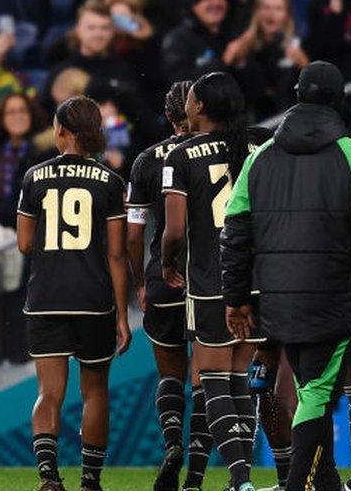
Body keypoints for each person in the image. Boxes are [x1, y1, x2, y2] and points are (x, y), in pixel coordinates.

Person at [220, 61, 351, 491]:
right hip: (334, 297)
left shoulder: (260, 157)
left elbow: (234, 233)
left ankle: (321, 482)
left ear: (298, 96)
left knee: (310, 391)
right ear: (339, 101)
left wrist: (236, 298)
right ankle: (298, 484)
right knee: (318, 393)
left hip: (278, 299)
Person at [16, 95, 130, 491]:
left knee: (49, 392)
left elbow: (25, 244)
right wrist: (121, 315)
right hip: (93, 298)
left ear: (61, 130)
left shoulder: (34, 177)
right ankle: (90, 482)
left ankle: (49, 478)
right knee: (95, 391)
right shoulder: (112, 182)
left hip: (46, 296)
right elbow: (117, 254)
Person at [161, 72, 260, 491]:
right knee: (242, 376)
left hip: (211, 278)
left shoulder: (180, 156)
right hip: (259, 276)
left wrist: (168, 263)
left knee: (213, 376)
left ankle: (240, 480)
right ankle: (245, 478)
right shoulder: (260, 146)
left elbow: (175, 230)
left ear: (199, 107)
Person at [126, 81, 213, 491]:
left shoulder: (146, 161)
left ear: (167, 116)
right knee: (207, 378)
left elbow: (132, 233)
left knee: (170, 374)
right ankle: (195, 475)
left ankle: (170, 445)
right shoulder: (221, 152)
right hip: (210, 275)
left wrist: (141, 280)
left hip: (164, 276)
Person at [45, 0, 140, 114]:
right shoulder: (60, 71)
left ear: (112, 32)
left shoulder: (124, 69)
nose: (98, 34)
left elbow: (140, 114)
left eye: (104, 28)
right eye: (91, 28)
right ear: (78, 30)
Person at [225, 0, 309, 121]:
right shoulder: (243, 45)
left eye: (278, 8)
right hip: (253, 122)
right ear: (257, 13)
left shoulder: (298, 46)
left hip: (290, 121)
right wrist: (234, 61)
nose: (271, 14)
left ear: (287, 15)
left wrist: (304, 66)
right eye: (266, 8)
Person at [0, 93, 49, 228]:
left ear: (32, 115)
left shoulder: (43, 152)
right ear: (2, 118)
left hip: (29, 232)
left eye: (22, 111)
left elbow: (38, 202)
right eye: (10, 112)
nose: (17, 116)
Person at [162, 0, 234, 84]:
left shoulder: (233, 35)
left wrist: (241, 65)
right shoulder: (178, 39)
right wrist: (222, 62)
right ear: (194, 5)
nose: (216, 3)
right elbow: (178, 84)